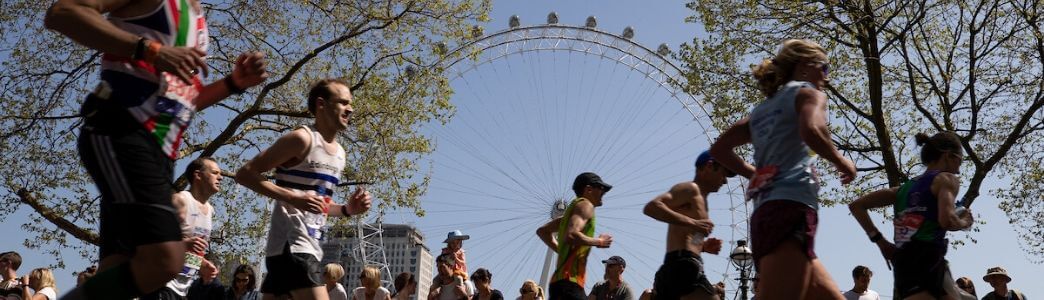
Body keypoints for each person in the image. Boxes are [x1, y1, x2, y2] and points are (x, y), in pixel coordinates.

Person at [44, 0, 269, 297]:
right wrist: (152, 50)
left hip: (158, 154)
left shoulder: (196, 16)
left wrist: (232, 84)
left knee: (118, 267)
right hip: (122, 129)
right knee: (167, 259)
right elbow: (62, 13)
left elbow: (182, 100)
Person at [709, 39, 854, 300]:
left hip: (765, 212)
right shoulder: (808, 93)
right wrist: (841, 161)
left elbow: (719, 149)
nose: (826, 78)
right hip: (792, 207)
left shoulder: (760, 111)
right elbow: (809, 129)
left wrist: (754, 174)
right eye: (825, 69)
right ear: (805, 65)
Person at [235, 78, 373, 300]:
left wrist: (347, 209)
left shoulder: (340, 154)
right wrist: (293, 197)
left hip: (301, 247)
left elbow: (317, 204)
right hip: (293, 246)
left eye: (351, 103)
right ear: (321, 104)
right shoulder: (301, 139)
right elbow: (245, 174)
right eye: (343, 102)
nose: (351, 109)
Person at [849, 132, 975, 300]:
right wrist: (964, 222)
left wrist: (880, 241)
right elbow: (947, 220)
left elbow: (857, 205)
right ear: (947, 155)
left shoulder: (901, 190)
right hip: (927, 258)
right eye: (960, 160)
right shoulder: (946, 179)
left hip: (904, 263)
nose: (959, 169)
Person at [644, 150, 732, 300]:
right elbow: (652, 207)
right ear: (709, 166)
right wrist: (694, 223)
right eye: (724, 174)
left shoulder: (703, 202)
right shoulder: (690, 189)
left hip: (683, 265)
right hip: (682, 265)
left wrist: (702, 246)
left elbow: (688, 237)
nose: (725, 181)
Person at [142, 157, 223, 300]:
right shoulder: (180, 201)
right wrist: (183, 244)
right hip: (161, 285)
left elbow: (192, 250)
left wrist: (203, 264)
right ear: (198, 175)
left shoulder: (210, 210)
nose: (220, 177)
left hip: (184, 291)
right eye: (215, 173)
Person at [536, 172, 614, 300]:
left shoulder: (568, 215)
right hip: (570, 282)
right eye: (601, 188)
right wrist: (599, 241)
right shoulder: (586, 205)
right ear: (588, 189)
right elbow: (572, 234)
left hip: (557, 283)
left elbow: (542, 231)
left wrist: (560, 249)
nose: (603, 192)